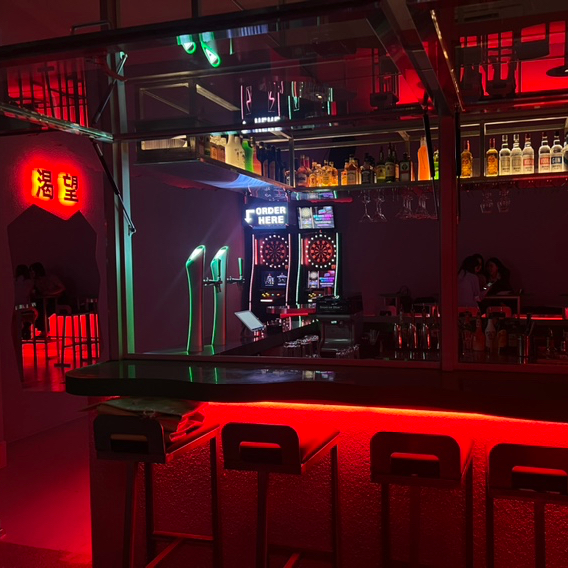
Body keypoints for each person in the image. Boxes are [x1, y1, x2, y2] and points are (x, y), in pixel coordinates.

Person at [30, 262, 65, 335]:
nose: (31, 273)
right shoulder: (35, 282)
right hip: (43, 301)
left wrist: (50, 293)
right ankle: (42, 330)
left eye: (32, 271)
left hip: (56, 300)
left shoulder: (51, 278)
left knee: (42, 310)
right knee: (37, 308)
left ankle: (44, 331)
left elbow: (62, 288)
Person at [14, 265, 36, 340]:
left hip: (14, 307)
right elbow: (33, 293)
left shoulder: (13, 281)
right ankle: (27, 325)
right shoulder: (30, 282)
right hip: (25, 306)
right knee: (35, 309)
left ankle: (22, 328)